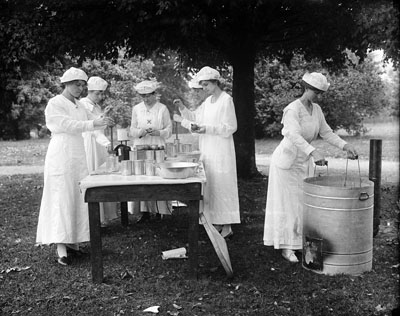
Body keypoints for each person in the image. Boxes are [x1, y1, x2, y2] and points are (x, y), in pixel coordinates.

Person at [263, 72, 358, 263]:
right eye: (315, 91)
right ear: (306, 88)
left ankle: (301, 242)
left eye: (320, 92)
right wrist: (313, 152)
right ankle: (287, 246)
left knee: (303, 203)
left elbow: (327, 132)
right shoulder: (292, 109)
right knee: (288, 205)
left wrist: (345, 146)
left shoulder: (316, 109)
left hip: (303, 163)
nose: (318, 95)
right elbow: (293, 135)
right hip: (286, 163)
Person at [36, 67, 113, 266]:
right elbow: (65, 125)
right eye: (76, 84)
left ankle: (74, 245)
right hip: (61, 153)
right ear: (66, 84)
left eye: (82, 85)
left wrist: (102, 122)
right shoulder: (55, 103)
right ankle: (61, 248)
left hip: (78, 154)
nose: (80, 88)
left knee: (77, 196)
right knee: (61, 196)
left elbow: (92, 125)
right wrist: (93, 123)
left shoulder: (80, 106)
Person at [173, 66, 240, 238]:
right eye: (202, 85)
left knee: (223, 185)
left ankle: (228, 225)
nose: (204, 88)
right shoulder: (207, 102)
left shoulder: (226, 100)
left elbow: (230, 127)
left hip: (221, 148)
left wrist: (207, 128)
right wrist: (182, 109)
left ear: (215, 82)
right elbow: (196, 118)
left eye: (206, 85)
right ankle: (215, 221)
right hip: (208, 148)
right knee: (211, 184)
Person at [129, 80, 172, 222]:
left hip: (157, 145)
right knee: (142, 177)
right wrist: (140, 132)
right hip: (141, 144)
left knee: (158, 176)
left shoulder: (162, 109)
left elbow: (169, 130)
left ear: (154, 94)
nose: (146, 99)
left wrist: (159, 132)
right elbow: (132, 129)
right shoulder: (136, 109)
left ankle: (160, 210)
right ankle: (144, 211)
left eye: (148, 95)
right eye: (143, 96)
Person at [80, 76, 118, 227]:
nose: (101, 97)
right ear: (90, 91)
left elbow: (99, 125)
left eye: (102, 93)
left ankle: (101, 218)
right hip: (90, 144)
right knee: (93, 173)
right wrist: (106, 142)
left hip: (99, 144)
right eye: (98, 93)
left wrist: (105, 117)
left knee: (102, 176)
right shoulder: (83, 105)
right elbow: (92, 129)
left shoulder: (96, 106)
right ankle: (91, 219)